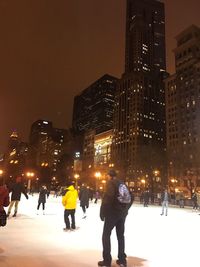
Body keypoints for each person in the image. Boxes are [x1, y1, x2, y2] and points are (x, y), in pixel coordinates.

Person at [98, 170, 133, 267]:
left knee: (106, 235)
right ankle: (122, 260)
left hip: (112, 213)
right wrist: (125, 209)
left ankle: (107, 261)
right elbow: (131, 197)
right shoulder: (122, 183)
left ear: (109, 176)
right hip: (122, 214)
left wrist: (102, 212)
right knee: (120, 236)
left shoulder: (111, 183)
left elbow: (108, 198)